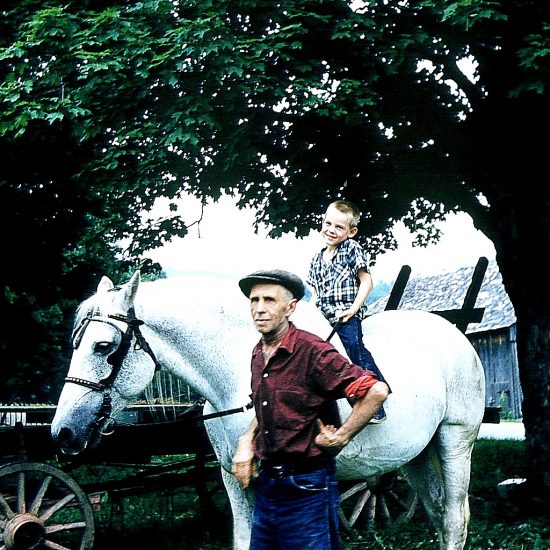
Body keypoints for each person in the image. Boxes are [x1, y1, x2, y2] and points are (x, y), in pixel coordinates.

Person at [232, 269, 389, 550]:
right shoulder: (259, 353)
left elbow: (375, 391)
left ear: (290, 307)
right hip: (268, 485)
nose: (259, 309)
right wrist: (246, 440)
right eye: (254, 300)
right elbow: (268, 403)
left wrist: (342, 436)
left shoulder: (312, 351)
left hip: (306, 486)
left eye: (269, 300)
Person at [307, 199, 389, 423]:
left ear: (351, 232)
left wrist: (353, 309)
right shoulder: (316, 258)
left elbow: (367, 282)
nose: (331, 230)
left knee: (353, 348)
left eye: (339, 227)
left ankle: (375, 396)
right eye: (328, 223)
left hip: (346, 314)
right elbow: (315, 291)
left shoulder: (351, 249)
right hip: (323, 316)